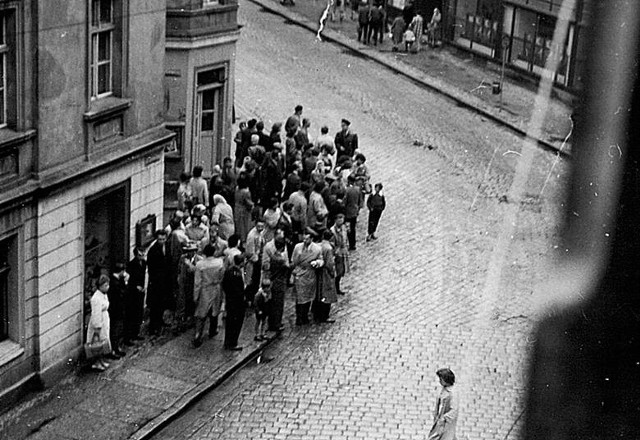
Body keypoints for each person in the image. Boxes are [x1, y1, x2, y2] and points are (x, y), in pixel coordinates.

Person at [192, 244, 226, 348]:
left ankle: (198, 335)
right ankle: (213, 330)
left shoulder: (200, 265)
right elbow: (222, 276)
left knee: (201, 313)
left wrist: (195, 296)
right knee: (214, 310)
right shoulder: (219, 262)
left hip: (205, 289)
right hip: (216, 288)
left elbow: (197, 282)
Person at [291, 228, 324, 325]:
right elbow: (293, 260)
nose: (305, 241)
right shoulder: (297, 247)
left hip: (310, 274)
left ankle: (305, 315)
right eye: (304, 239)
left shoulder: (317, 249)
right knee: (300, 296)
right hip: (300, 273)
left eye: (307, 239)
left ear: (311, 239)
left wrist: (317, 263)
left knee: (308, 296)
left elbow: (321, 260)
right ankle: (299, 317)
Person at [147, 229, 172, 336]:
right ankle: (153, 327)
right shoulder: (153, 251)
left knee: (162, 303)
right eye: (160, 239)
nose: (162, 241)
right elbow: (151, 268)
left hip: (165, 280)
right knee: (155, 305)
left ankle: (160, 320)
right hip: (157, 282)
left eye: (163, 239)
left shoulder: (167, 247)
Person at [263, 236, 289, 334]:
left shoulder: (272, 257)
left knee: (272, 304)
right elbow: (287, 268)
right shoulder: (281, 260)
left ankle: (272, 323)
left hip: (272, 281)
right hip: (280, 283)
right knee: (278, 305)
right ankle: (276, 324)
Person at [87, 275, 112, 372]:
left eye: (108, 285)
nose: (108, 287)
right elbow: (96, 314)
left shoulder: (104, 294)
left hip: (104, 320)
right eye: (105, 285)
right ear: (100, 286)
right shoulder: (96, 298)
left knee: (103, 342)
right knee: (97, 344)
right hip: (99, 324)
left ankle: (101, 360)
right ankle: (96, 362)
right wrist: (97, 329)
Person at [313, 230, 338, 323]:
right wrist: (332, 273)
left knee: (319, 293)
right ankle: (324, 316)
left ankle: (316, 314)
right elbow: (330, 263)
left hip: (318, 272)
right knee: (327, 294)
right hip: (326, 273)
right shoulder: (328, 248)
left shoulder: (318, 245)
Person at [222, 254, 246, 350]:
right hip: (237, 302)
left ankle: (228, 341)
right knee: (236, 323)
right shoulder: (237, 274)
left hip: (229, 300)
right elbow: (239, 290)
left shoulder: (228, 271)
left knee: (229, 322)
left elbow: (224, 284)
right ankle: (232, 343)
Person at [427, 368, 458, 440]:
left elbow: (454, 409)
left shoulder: (453, 393)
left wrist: (444, 418)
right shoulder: (443, 388)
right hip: (440, 419)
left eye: (441, 379)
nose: (439, 381)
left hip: (445, 423)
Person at [124, 247, 146, 345]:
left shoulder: (144, 263)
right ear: (136, 255)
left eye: (143, 255)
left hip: (140, 292)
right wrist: (135, 287)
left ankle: (136, 333)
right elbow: (128, 281)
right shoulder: (131, 265)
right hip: (133, 294)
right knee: (131, 315)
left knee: (139, 313)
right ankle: (128, 337)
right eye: (140, 255)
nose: (142, 257)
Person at [177, 242, 200, 331]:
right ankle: (182, 321)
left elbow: (197, 271)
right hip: (185, 283)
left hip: (194, 284)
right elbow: (179, 269)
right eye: (187, 251)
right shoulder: (183, 258)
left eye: (191, 251)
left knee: (192, 302)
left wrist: (190, 265)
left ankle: (192, 319)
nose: (188, 253)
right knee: (183, 302)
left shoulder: (199, 260)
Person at [108, 263, 129, 359]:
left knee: (117, 330)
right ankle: (113, 350)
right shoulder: (114, 283)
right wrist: (125, 283)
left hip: (117, 310)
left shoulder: (115, 280)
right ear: (120, 271)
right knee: (115, 331)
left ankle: (116, 348)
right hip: (116, 310)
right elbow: (122, 294)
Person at [245, 219, 266, 304]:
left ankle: (254, 298)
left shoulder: (260, 232)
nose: (260, 228)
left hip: (258, 258)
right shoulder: (251, 235)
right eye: (259, 226)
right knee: (251, 281)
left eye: (262, 226)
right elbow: (250, 253)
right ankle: (249, 299)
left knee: (256, 281)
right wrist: (257, 260)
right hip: (253, 261)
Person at [330, 213, 349, 295]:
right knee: (338, 272)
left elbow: (346, 238)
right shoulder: (332, 230)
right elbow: (332, 243)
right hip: (337, 253)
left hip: (343, 252)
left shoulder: (344, 227)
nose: (341, 221)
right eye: (339, 219)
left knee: (341, 271)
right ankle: (335, 288)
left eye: (342, 219)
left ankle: (337, 287)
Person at [344, 175, 364, 250]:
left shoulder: (347, 190)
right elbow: (360, 201)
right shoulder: (357, 189)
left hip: (348, 212)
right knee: (353, 228)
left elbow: (345, 202)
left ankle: (350, 243)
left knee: (348, 228)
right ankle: (353, 244)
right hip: (355, 212)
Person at [234, 175, 254, 243]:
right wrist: (253, 205)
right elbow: (248, 202)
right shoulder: (246, 192)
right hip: (244, 210)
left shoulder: (237, 188)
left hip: (236, 208)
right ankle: (244, 241)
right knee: (244, 227)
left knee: (238, 226)